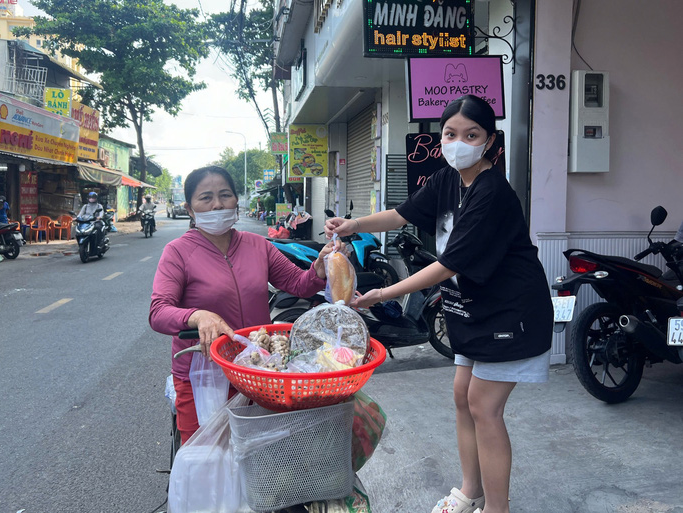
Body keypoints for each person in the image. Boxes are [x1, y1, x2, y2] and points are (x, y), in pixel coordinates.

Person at [325, 95, 553, 513]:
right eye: (451, 133)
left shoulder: (492, 192)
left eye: (472, 134)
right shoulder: (448, 179)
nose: (459, 142)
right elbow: (401, 214)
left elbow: (448, 265)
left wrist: (383, 294)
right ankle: (471, 492)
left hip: (511, 312)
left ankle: (496, 509)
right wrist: (354, 224)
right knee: (462, 396)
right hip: (472, 309)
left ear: (489, 141)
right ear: (441, 136)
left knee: (485, 406)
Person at [149, 165, 341, 442]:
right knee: (206, 459)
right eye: (206, 198)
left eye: (224, 195)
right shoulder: (177, 252)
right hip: (203, 373)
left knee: (259, 458)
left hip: (258, 369)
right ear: (190, 209)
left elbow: (299, 284)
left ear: (236, 201)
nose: (217, 204)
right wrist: (197, 316)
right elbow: (158, 312)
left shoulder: (257, 245)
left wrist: (321, 266)